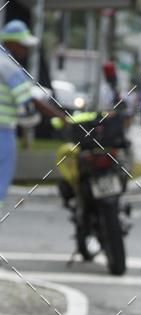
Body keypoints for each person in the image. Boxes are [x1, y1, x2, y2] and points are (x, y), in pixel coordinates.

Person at [0, 20, 65, 210]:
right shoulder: (10, 67)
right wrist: (59, 117)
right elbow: (29, 102)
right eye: (23, 45)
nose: (25, 50)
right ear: (11, 43)